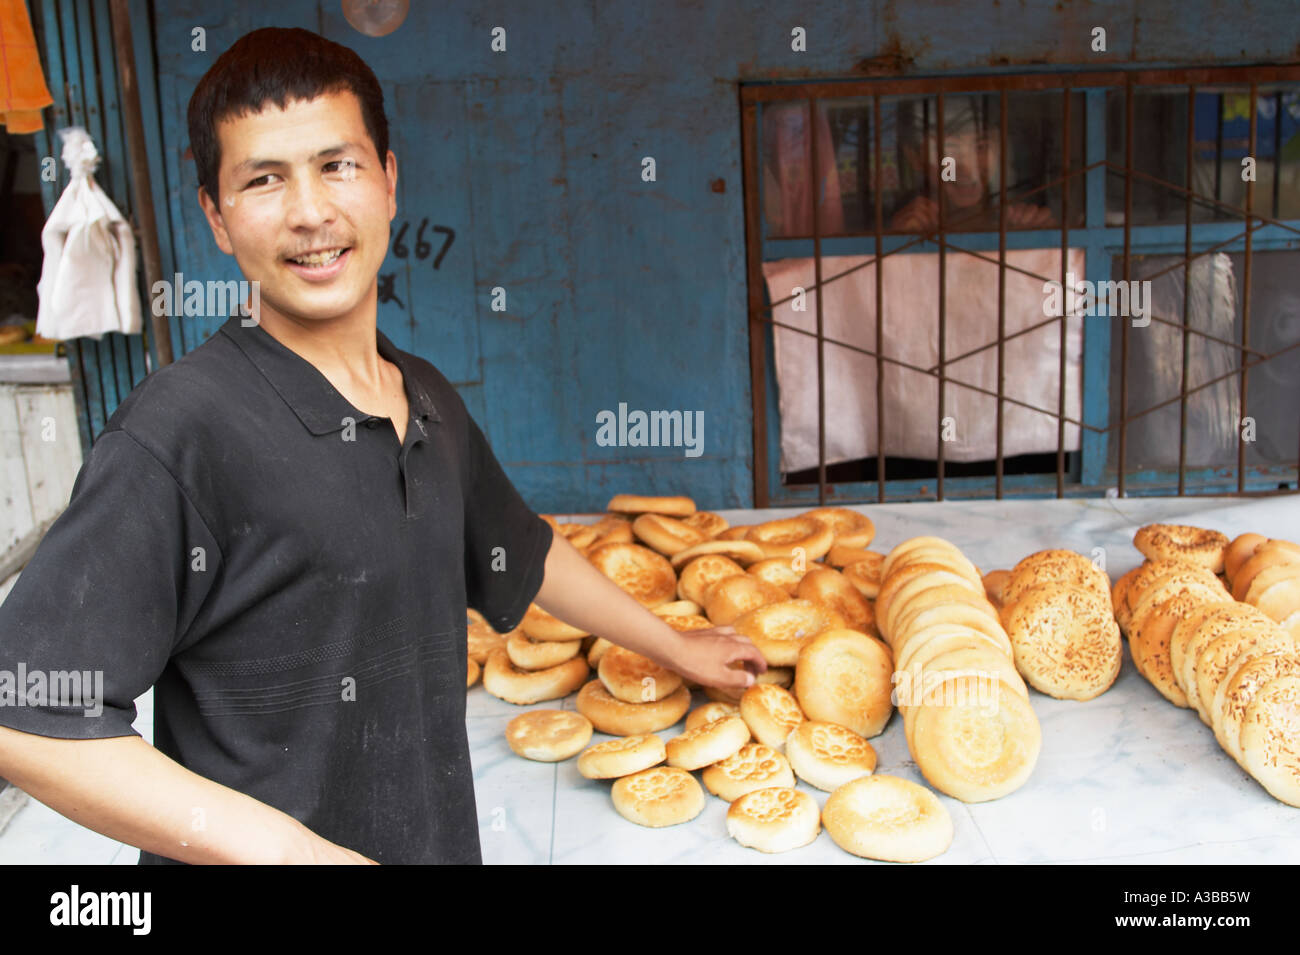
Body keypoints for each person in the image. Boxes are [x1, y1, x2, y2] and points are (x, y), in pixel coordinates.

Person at [0, 27, 764, 865]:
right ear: (215, 218)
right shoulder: (180, 432)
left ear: (390, 181)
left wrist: (675, 644)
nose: (311, 211)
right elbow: (24, 715)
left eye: (339, 165)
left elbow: (522, 552)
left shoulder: (425, 395)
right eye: (263, 179)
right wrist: (293, 853)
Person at [890, 98, 1055, 232]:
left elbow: (1070, 273)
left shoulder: (1023, 223)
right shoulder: (884, 231)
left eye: (981, 147)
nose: (968, 168)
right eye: (949, 149)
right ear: (914, 157)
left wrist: (1043, 246)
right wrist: (897, 243)